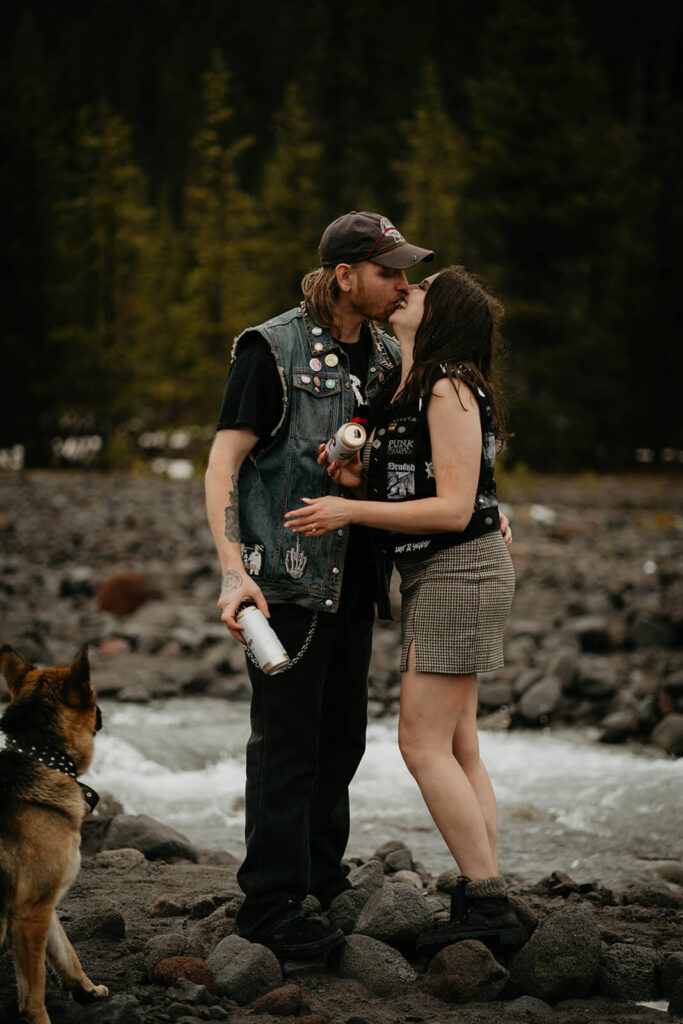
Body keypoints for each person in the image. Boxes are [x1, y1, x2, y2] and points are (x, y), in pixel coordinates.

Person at [204, 211, 436, 959]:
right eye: (387, 271)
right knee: (286, 746)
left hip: (355, 581)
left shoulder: (379, 354)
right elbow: (222, 465)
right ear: (344, 276)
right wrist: (232, 569)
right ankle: (268, 906)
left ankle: (319, 878)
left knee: (341, 741)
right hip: (285, 585)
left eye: (404, 271)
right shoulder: (267, 350)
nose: (400, 283)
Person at [284, 266, 527, 954]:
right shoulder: (412, 387)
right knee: (458, 745)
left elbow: (453, 509)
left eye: (421, 288)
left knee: (421, 746)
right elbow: (436, 482)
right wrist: (355, 476)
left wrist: (344, 510)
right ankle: (491, 891)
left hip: (457, 571)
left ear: (440, 311)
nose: (405, 290)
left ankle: (484, 902)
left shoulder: (448, 386)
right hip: (441, 573)